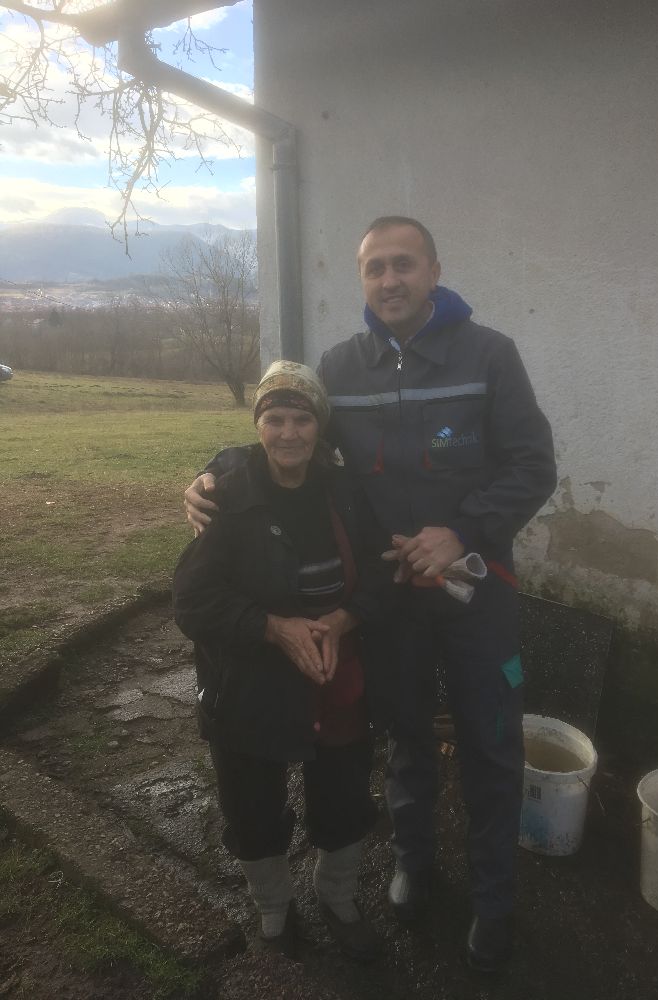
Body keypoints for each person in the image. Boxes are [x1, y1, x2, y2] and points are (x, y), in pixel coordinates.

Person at [184, 217, 557, 973]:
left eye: (404, 265)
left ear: (434, 271)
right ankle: (415, 864)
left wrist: (463, 530)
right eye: (375, 268)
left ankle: (493, 901)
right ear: (362, 279)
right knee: (407, 737)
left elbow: (533, 465)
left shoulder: (489, 355)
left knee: (491, 744)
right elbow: (291, 442)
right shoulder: (341, 368)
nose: (390, 280)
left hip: (478, 592)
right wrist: (214, 473)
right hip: (391, 601)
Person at [173, 361, 388, 963]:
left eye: (302, 419)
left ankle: (337, 895)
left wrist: (343, 620)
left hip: (335, 671)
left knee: (345, 795)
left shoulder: (344, 493)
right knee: (252, 806)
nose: (288, 433)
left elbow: (379, 572)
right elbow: (192, 601)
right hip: (248, 680)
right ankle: (273, 907)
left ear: (320, 427)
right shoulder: (226, 495)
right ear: (257, 425)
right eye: (275, 419)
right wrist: (274, 628)